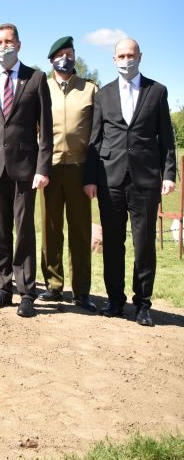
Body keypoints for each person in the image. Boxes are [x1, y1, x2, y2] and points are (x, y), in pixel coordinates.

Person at [84, 37, 176, 327]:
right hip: (110, 178)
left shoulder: (157, 91)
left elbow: (167, 140)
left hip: (145, 179)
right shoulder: (104, 94)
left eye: (130, 55)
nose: (126, 60)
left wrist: (169, 174)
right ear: (113, 60)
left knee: (144, 243)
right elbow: (95, 140)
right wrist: (90, 179)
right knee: (113, 243)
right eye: (121, 55)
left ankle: (143, 304)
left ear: (140, 57)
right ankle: (114, 300)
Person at [0, 23, 52, 318]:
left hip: (25, 168)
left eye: (8, 41)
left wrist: (43, 167)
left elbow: (46, 130)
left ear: (19, 44)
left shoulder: (36, 78)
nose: (3, 46)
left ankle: (27, 291)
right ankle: (3, 287)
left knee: (24, 230)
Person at [39, 36, 99, 312]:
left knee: (79, 231)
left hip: (79, 169)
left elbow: (97, 135)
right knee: (51, 230)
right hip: (49, 168)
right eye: (61, 54)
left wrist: (92, 174)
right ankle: (53, 285)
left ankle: (81, 291)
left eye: (70, 54)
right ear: (52, 59)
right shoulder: (41, 87)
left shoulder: (89, 89)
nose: (66, 59)